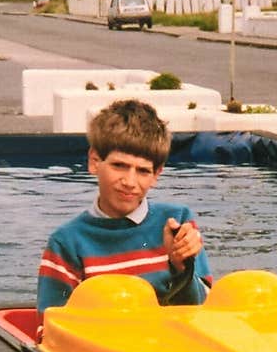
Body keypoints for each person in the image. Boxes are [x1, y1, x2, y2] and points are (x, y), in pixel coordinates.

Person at [37, 99, 213, 320]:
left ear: (157, 174)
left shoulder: (179, 222)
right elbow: (50, 328)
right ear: (94, 161)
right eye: (119, 166)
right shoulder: (66, 243)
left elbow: (204, 313)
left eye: (143, 171)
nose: (130, 181)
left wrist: (180, 266)